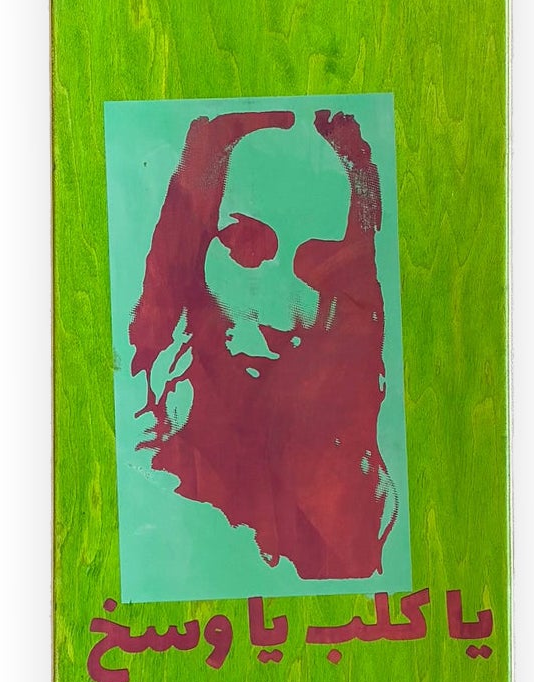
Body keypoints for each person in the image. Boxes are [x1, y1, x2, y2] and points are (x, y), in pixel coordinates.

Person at [127, 108, 396, 579]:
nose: (278, 314)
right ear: (198, 251)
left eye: (317, 266)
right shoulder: (142, 472)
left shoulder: (367, 502)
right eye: (246, 246)